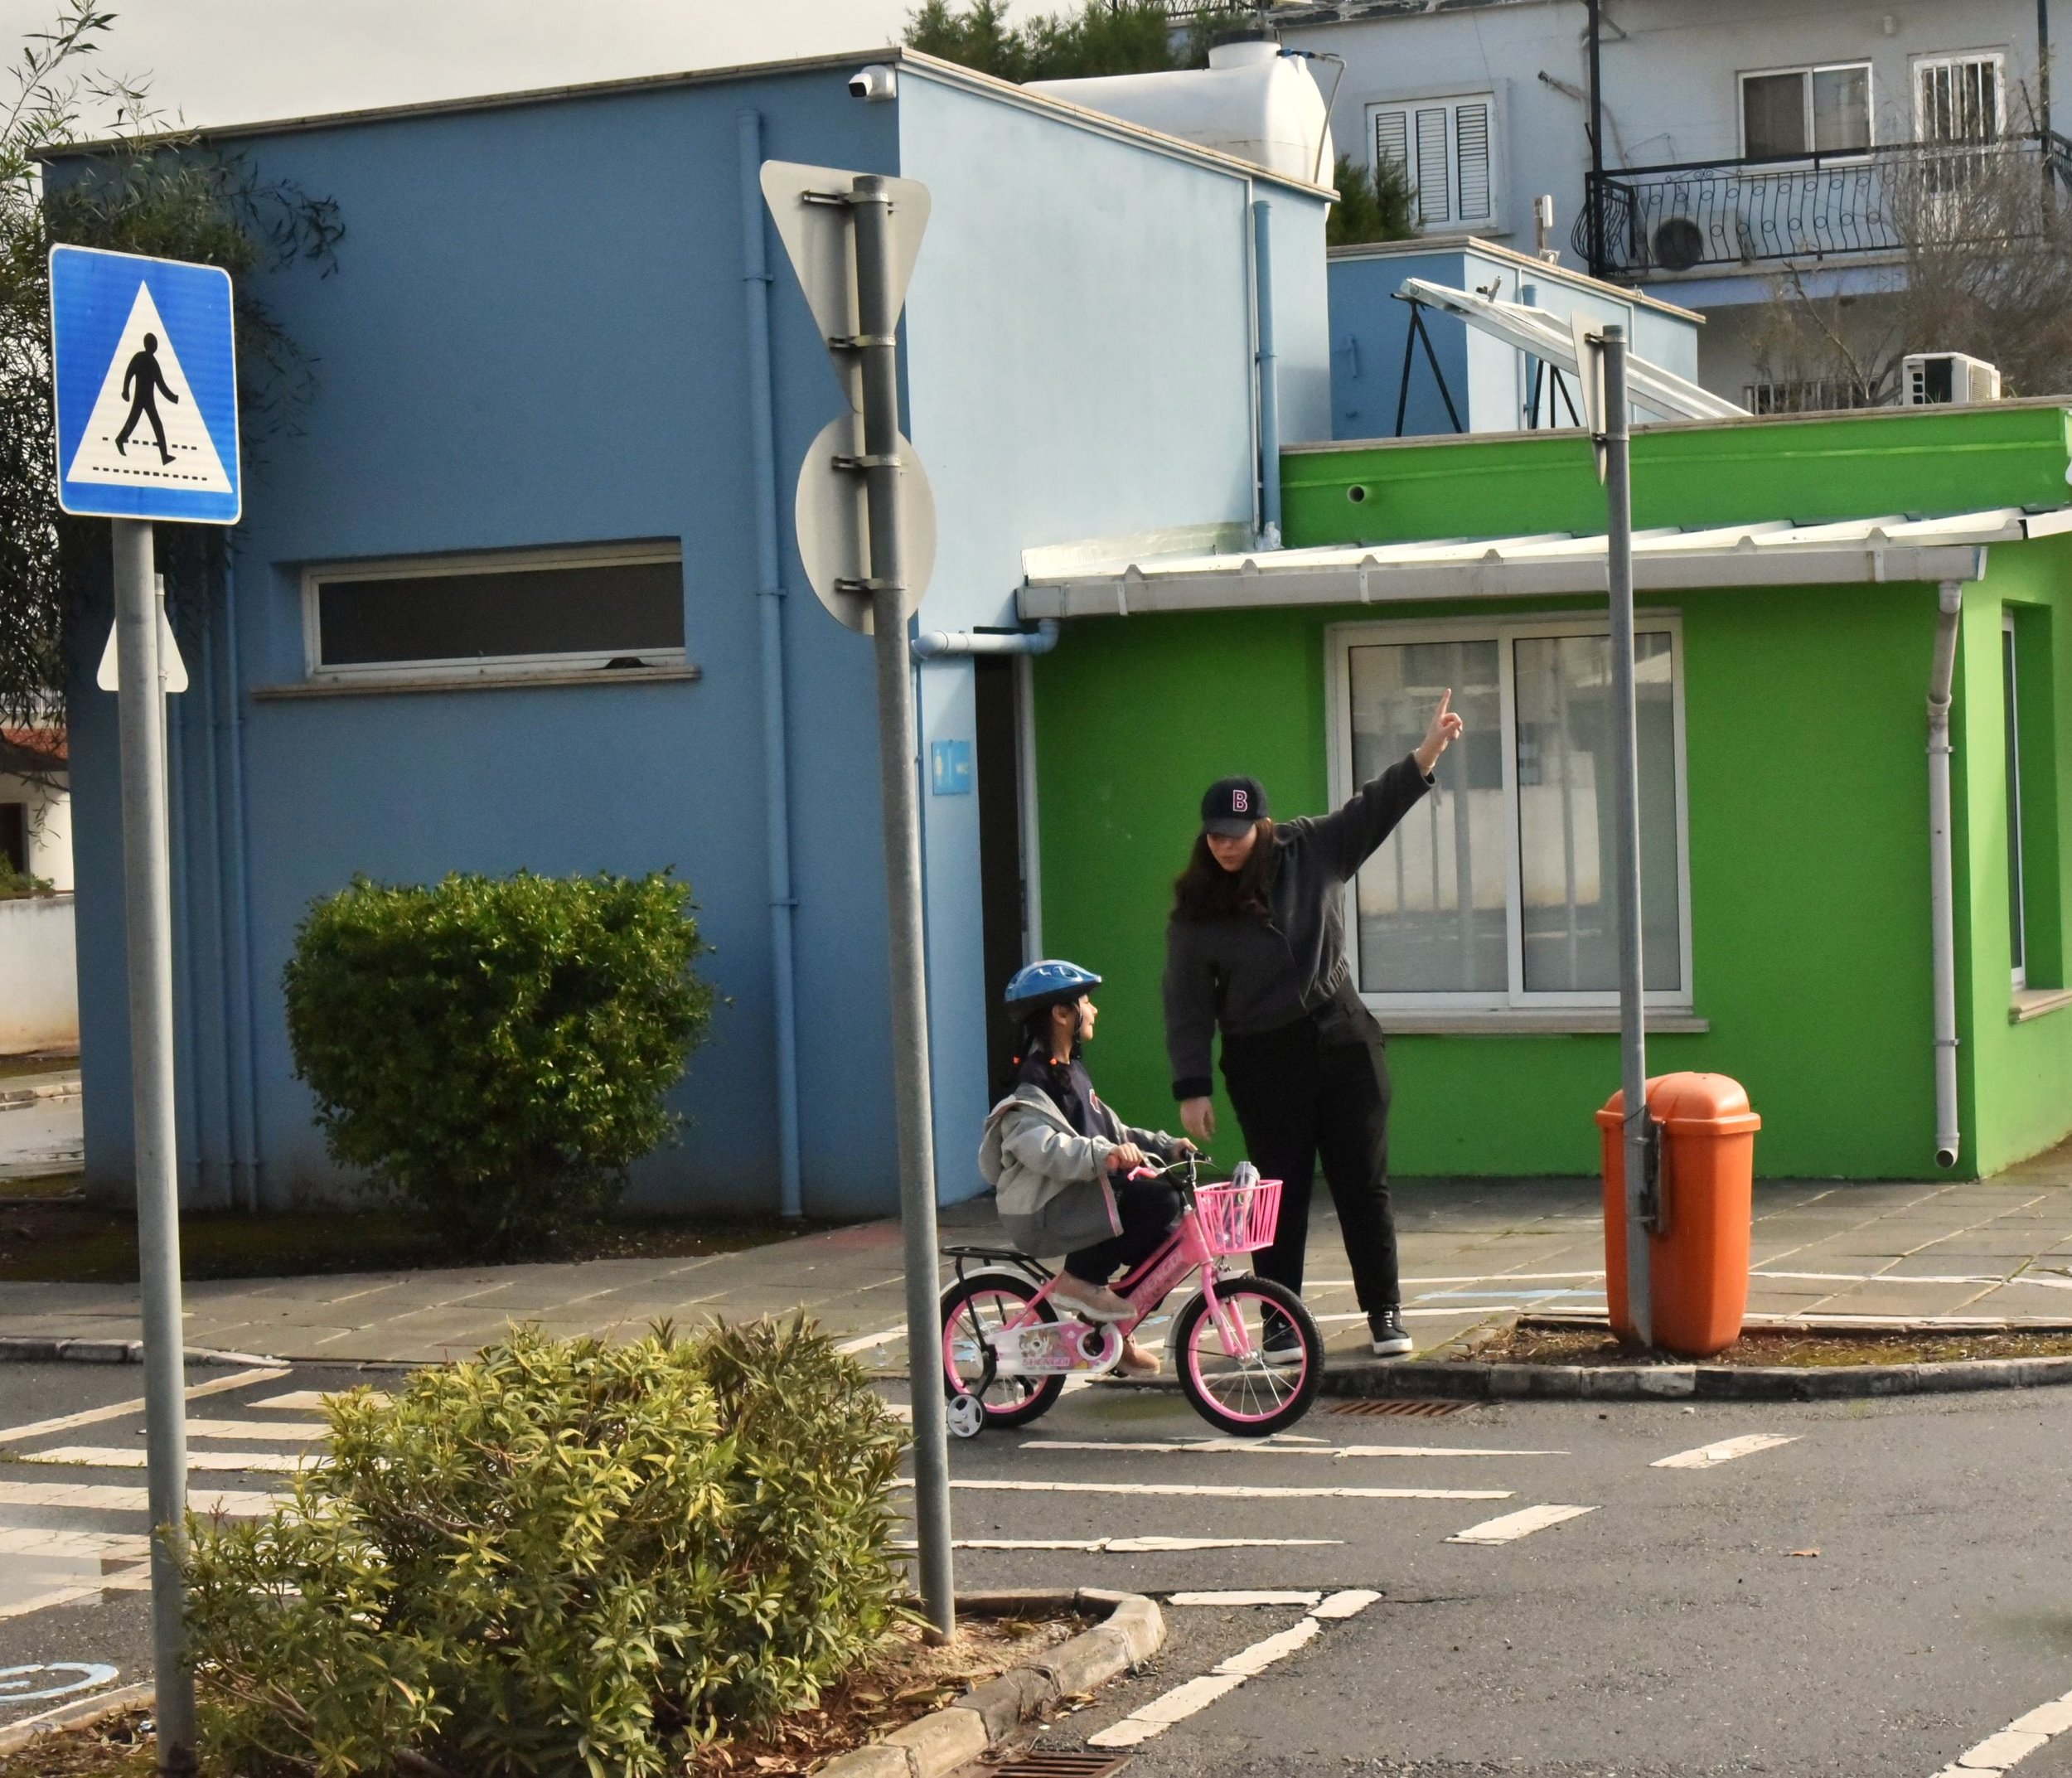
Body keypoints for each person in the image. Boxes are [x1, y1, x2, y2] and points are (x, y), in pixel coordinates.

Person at [1162, 692, 1463, 1359]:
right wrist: (1192, 1084)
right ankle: (1280, 1320)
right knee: (1280, 1193)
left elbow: (1374, 805)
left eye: (1235, 835)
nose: (1224, 845)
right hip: (1262, 1058)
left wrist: (1429, 750)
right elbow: (1186, 1000)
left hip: (1343, 1039)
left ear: (1261, 827)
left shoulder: (1315, 848)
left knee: (1363, 1180)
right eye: (1214, 834)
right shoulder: (1197, 909)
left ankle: (1384, 1311)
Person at [978, 960, 1193, 1377]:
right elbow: (1043, 1148)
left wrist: (1164, 1146)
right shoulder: (1033, 1083)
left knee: (1171, 1243)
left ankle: (1110, 1330)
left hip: (1077, 1199)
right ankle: (1078, 1279)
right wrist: (1103, 1155)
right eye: (1086, 1003)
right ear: (1061, 1014)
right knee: (1159, 1198)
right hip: (1046, 1207)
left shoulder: (1073, 1072)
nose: (1093, 1011)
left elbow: (1114, 1129)